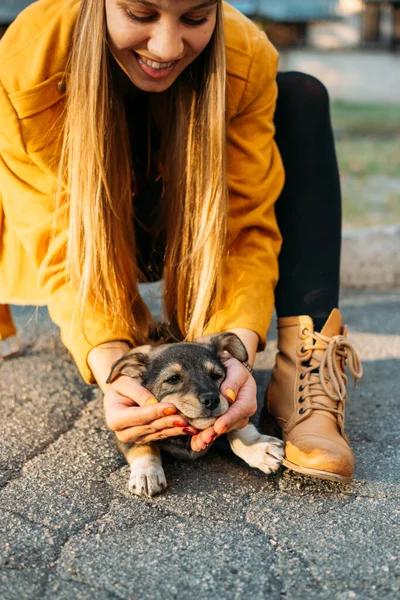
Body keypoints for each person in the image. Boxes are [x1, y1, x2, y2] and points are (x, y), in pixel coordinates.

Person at [0, 0, 362, 483]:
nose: (167, 46)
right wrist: (117, 368)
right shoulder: (29, 56)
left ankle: (304, 364)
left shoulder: (244, 50)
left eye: (195, 19)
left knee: (301, 94)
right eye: (140, 14)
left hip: (186, 223)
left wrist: (238, 349)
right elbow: (59, 238)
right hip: (95, 225)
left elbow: (245, 221)